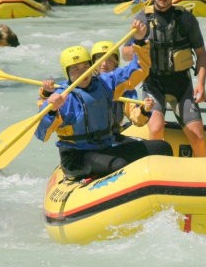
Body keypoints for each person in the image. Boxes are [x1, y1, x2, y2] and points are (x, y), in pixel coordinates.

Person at [35, 20, 172, 180]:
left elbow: (138, 70)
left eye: (85, 67)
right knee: (119, 165)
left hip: (107, 146)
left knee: (162, 147)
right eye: (75, 69)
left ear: (92, 66)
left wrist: (140, 41)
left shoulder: (106, 83)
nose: (82, 73)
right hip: (78, 156)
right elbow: (41, 135)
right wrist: (51, 110)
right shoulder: (63, 97)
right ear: (67, 73)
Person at [133, 0, 206, 157]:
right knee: (156, 128)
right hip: (154, 84)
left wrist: (200, 84)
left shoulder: (186, 19)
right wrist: (138, 39)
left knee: (198, 136)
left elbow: (201, 54)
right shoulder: (141, 19)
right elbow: (127, 55)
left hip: (181, 84)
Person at [90, 40, 154, 138]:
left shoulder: (125, 88)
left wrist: (144, 110)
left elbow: (136, 119)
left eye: (109, 60)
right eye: (99, 59)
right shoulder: (85, 87)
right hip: (92, 139)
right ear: (93, 63)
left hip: (113, 136)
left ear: (116, 63)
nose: (104, 64)